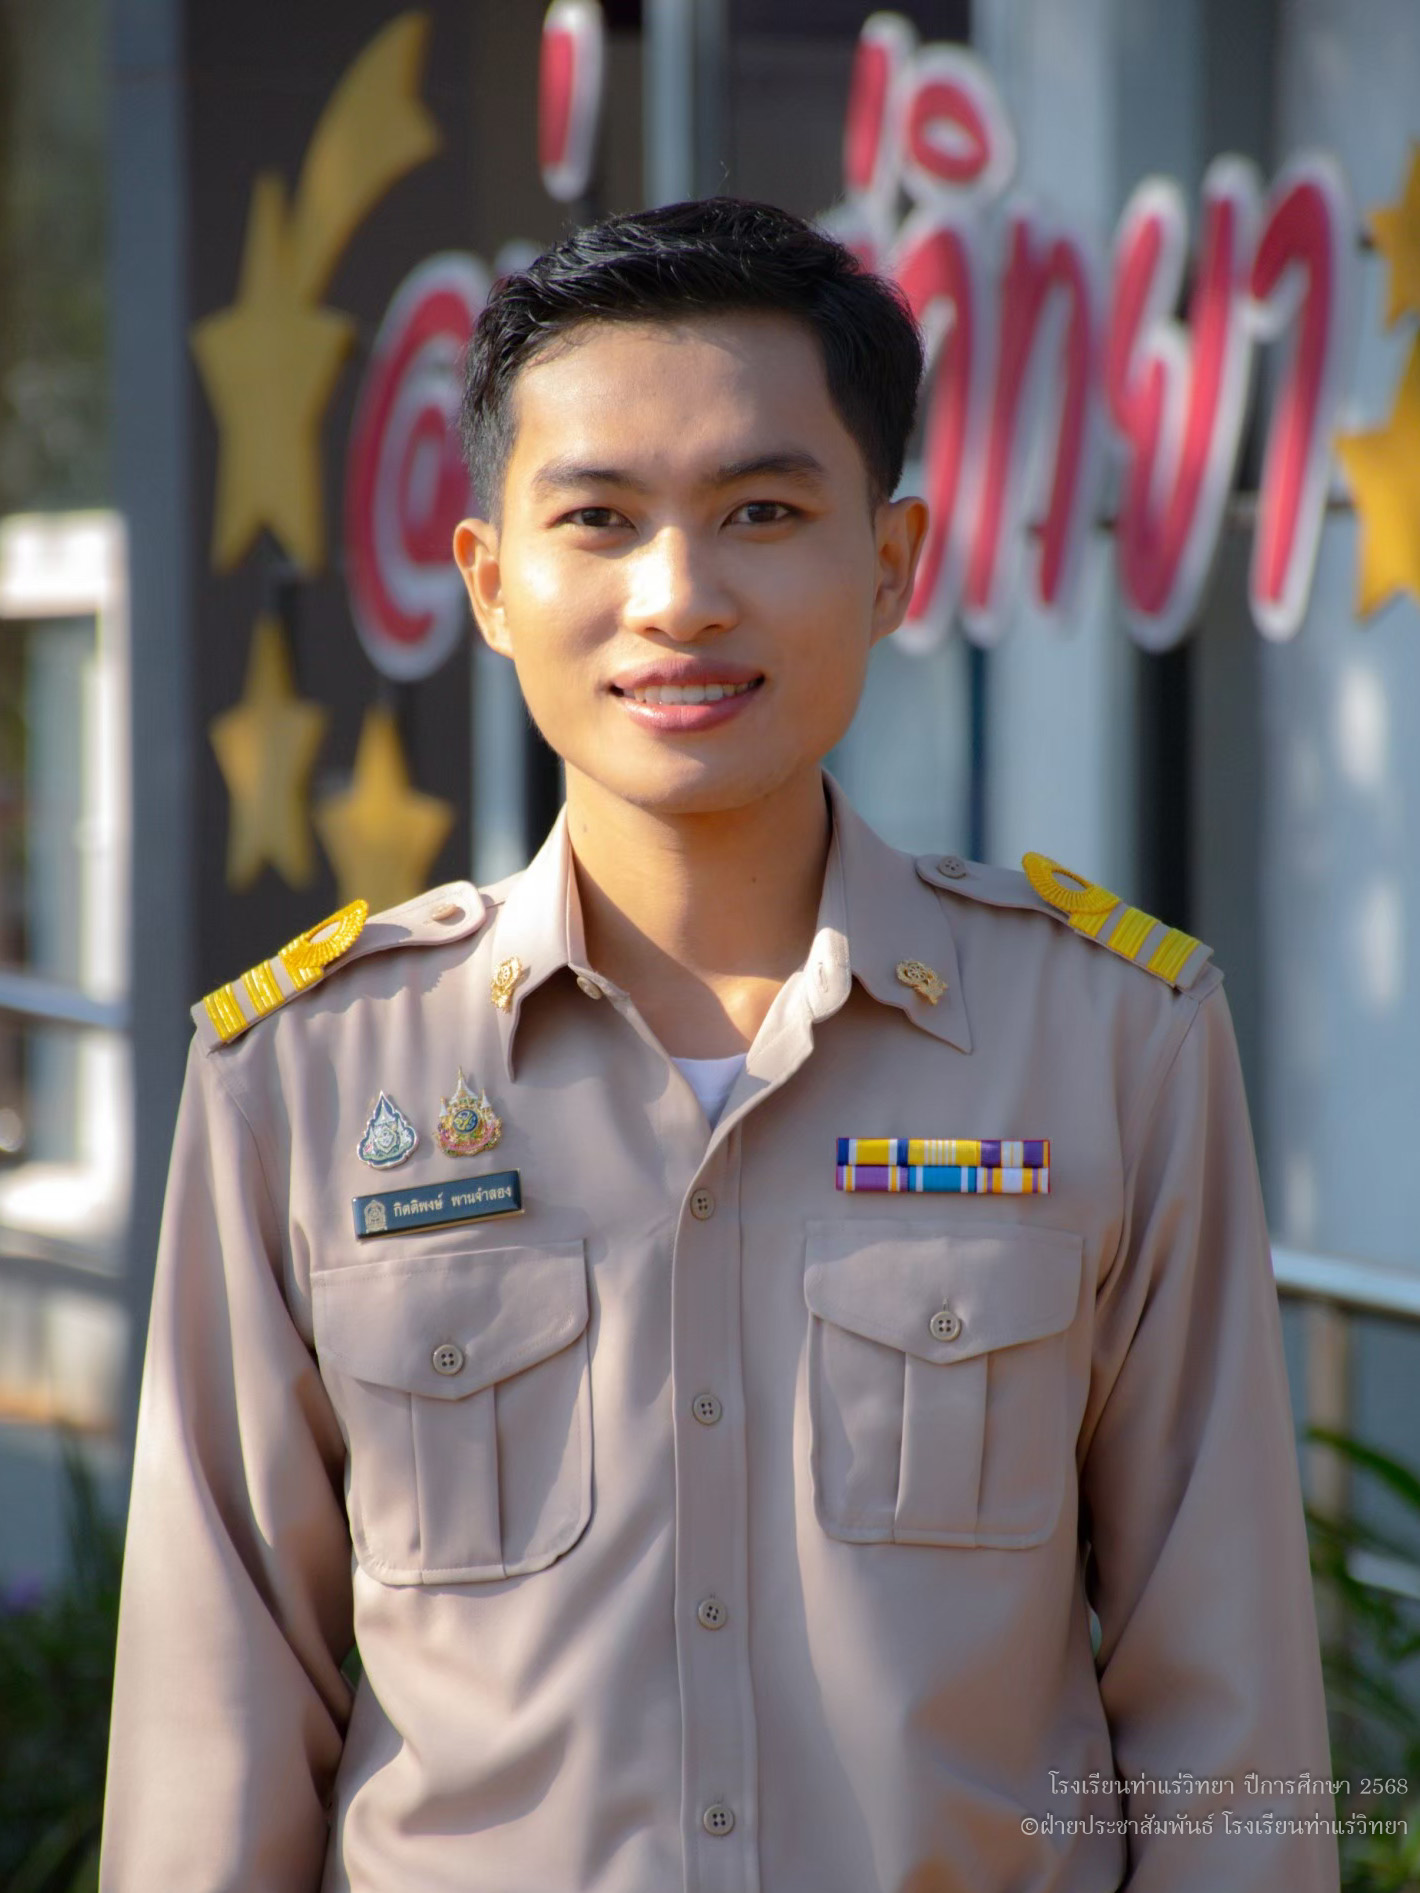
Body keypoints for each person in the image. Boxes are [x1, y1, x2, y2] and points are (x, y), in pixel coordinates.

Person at [100, 198, 1340, 1891]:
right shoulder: (306, 1077)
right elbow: (216, 1725)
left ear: (890, 564)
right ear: (490, 581)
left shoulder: (1113, 1042)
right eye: (598, 519)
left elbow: (1227, 1716)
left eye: (762, 511)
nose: (678, 597)